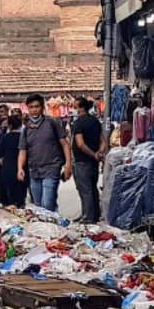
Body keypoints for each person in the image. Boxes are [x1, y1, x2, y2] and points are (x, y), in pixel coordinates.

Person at [17, 94, 68, 215]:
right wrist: (19, 168)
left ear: (42, 107)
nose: (34, 110)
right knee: (37, 206)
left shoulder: (52, 123)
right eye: (31, 107)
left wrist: (68, 166)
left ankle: (52, 228)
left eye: (37, 106)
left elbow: (65, 144)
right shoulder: (26, 129)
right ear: (27, 108)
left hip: (52, 168)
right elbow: (23, 150)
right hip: (34, 170)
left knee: (47, 204)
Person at [69, 95, 106, 225]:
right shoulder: (95, 121)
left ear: (80, 108)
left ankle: (88, 217)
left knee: (85, 189)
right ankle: (95, 214)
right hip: (93, 162)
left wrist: (92, 154)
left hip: (82, 161)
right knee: (92, 188)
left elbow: (80, 144)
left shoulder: (78, 123)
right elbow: (103, 140)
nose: (73, 110)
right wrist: (99, 153)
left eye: (74, 107)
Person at [0, 107, 25, 207]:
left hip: (8, 169)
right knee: (21, 196)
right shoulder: (24, 137)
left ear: (9, 126)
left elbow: (0, 156)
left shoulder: (4, 138)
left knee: (10, 198)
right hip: (23, 168)